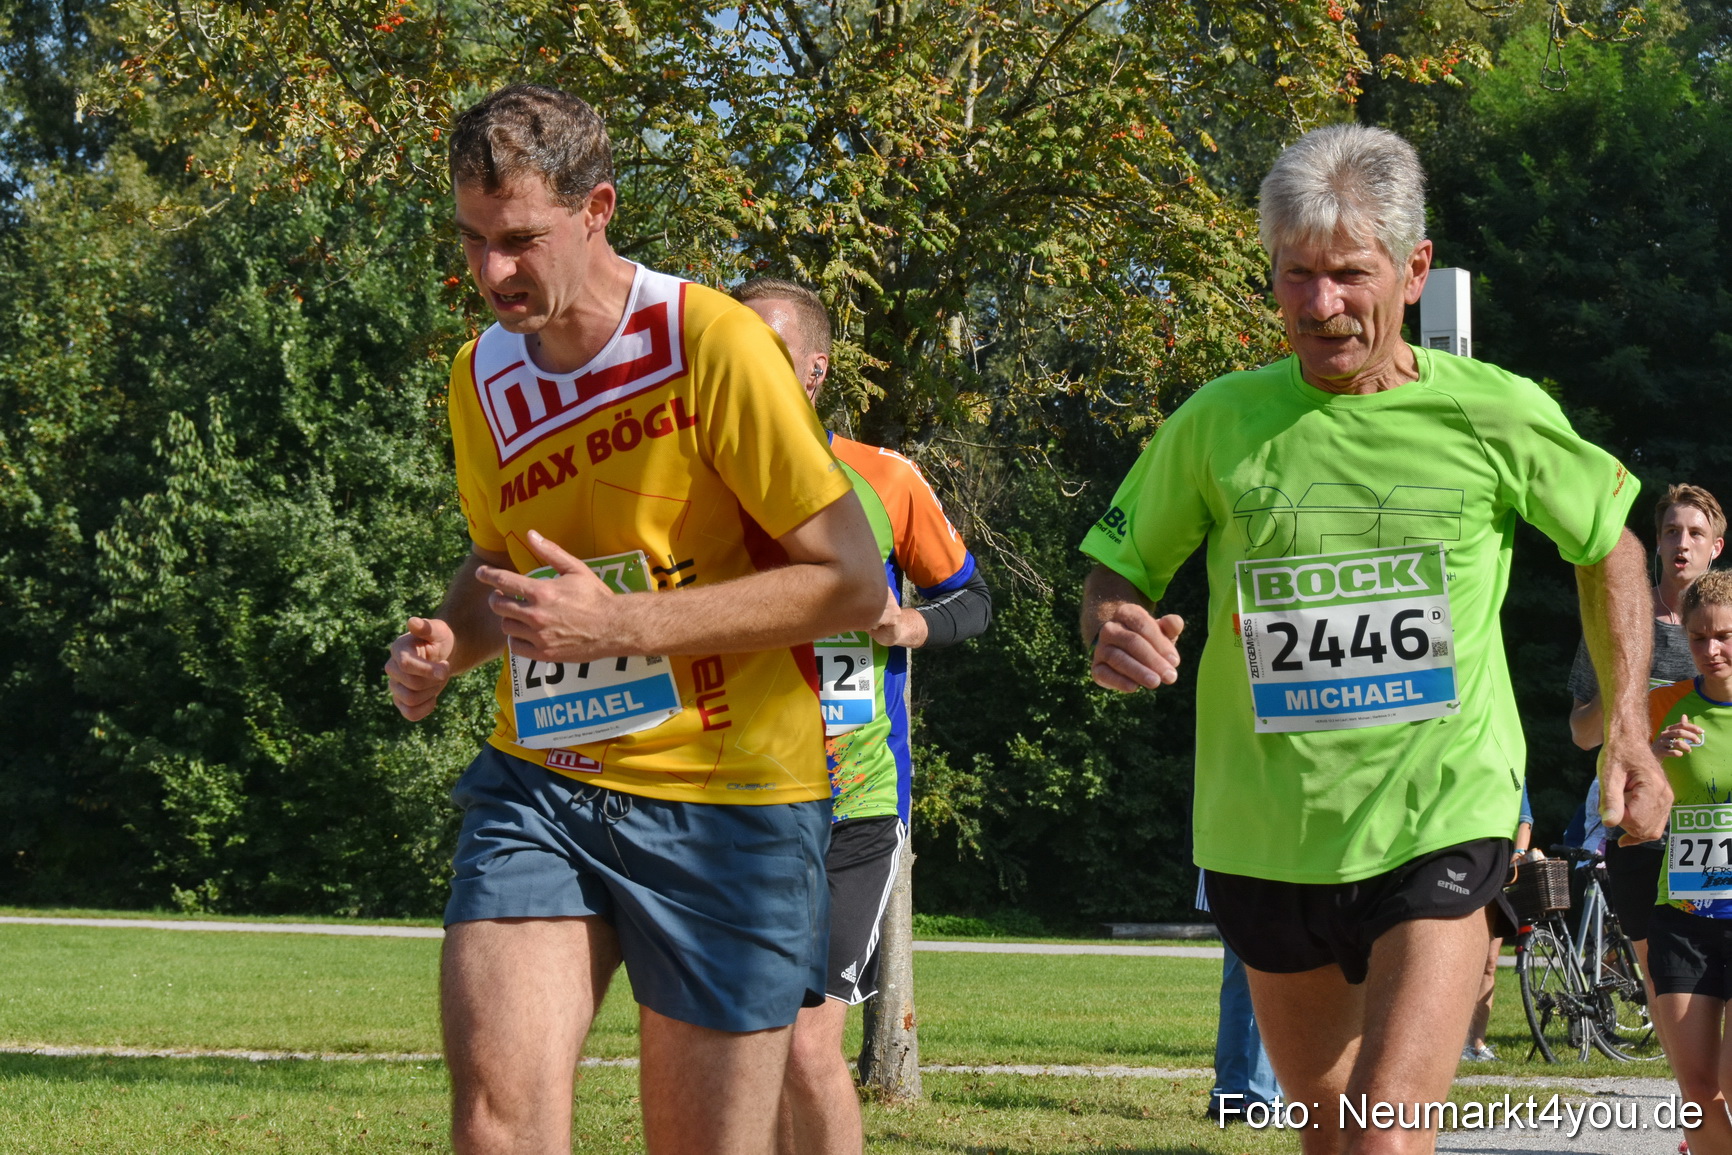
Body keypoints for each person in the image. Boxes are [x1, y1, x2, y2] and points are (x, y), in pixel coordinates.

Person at [1077, 123, 1669, 1155]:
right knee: (1333, 1136)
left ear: (1414, 269)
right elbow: (1116, 572)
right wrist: (1112, 626)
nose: (1320, 305)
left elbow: (1609, 544)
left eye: (1349, 274)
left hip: (1442, 816)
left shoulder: (1492, 411)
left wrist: (1626, 731)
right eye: (1295, 275)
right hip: (1265, 834)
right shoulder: (1218, 422)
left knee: (1385, 1134)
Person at [383, 85, 885, 1155]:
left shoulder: (714, 342)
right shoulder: (480, 374)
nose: (491, 274)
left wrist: (624, 628)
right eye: (471, 239)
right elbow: (499, 559)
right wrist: (451, 641)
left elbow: (851, 584)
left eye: (520, 240)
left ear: (597, 208)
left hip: (731, 802)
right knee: (495, 1127)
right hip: (543, 781)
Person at [734, 277, 992, 1155]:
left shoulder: (884, 477)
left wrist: (907, 623)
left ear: (815, 369)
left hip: (855, 802)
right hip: (733, 800)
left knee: (808, 1045)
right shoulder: (697, 479)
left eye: (768, 350)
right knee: (750, 1044)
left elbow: (971, 600)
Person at [1569, 484, 1724, 978]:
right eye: (1671, 531)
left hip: (1714, 821)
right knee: (1660, 976)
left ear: (1716, 547)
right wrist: (1624, 692)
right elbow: (1582, 734)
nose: (1683, 543)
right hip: (1644, 822)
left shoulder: (1727, 631)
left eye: (1696, 533)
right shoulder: (1615, 623)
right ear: (1656, 542)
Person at [1646, 570, 1732, 1155]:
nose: (1711, 649)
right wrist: (1649, 759)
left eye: (1724, 635)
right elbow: (1624, 813)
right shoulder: (1663, 706)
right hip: (1683, 915)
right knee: (1698, 1094)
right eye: (1699, 638)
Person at [1196, 871, 1282, 1121]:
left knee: (1238, 988)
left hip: (1223, 878)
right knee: (1272, 984)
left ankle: (1227, 1099)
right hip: (1272, 880)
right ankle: (1264, 1101)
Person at [1462, 787, 1532, 1062]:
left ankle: (1476, 1044)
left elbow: (1524, 819)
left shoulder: (1512, 769)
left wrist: (1519, 853)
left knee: (1489, 962)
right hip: (1464, 865)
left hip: (1498, 871)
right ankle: (1450, 1042)